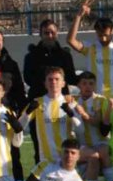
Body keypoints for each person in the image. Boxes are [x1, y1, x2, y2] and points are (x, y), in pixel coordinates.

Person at [23, 19, 77, 162]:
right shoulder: (31, 56)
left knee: (66, 141)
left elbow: (71, 77)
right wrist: (48, 82)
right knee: (39, 144)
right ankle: (41, 171)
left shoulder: (65, 55)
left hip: (61, 104)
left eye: (52, 32)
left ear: (57, 33)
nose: (50, 36)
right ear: (40, 35)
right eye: (46, 33)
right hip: (39, 104)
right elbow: (28, 78)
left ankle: (66, 170)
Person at [18, 67, 83, 164]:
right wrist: (27, 113)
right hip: (46, 161)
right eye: (50, 79)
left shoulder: (71, 102)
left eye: (57, 79)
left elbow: (81, 130)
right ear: (45, 83)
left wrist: (71, 115)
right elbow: (19, 126)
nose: (53, 82)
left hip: (67, 160)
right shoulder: (37, 102)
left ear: (63, 83)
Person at [74, 71, 111, 181]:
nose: (88, 87)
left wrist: (83, 114)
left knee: (103, 151)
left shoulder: (101, 100)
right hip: (82, 145)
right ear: (79, 85)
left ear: (95, 85)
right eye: (84, 83)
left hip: (100, 142)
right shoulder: (73, 101)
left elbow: (98, 123)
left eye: (91, 83)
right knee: (92, 156)